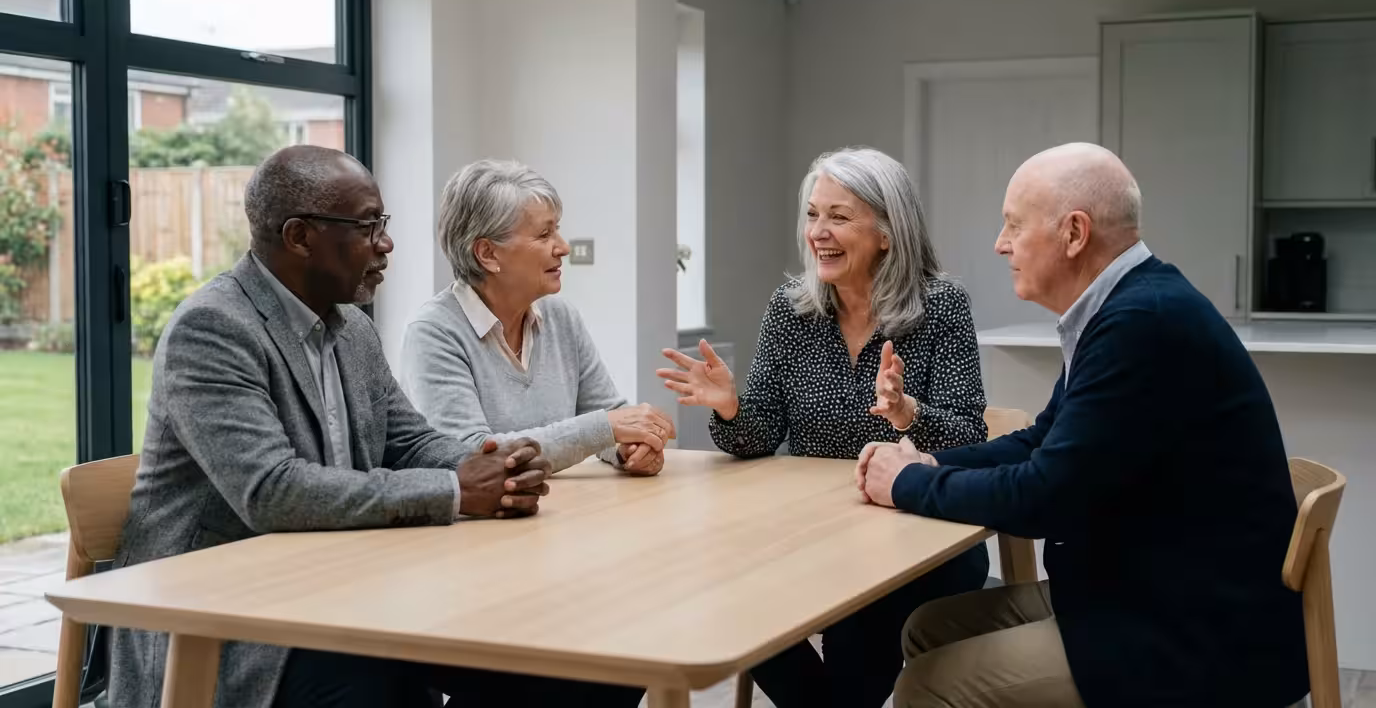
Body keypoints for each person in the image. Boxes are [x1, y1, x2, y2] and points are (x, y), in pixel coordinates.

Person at [109, 146, 642, 708]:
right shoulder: (214, 328)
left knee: (591, 658)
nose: (386, 244)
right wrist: (460, 488)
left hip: (338, 586)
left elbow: (408, 440)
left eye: (382, 225)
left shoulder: (350, 329)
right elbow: (271, 491)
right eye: (368, 227)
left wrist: (494, 465)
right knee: (384, 685)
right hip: (228, 620)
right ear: (299, 236)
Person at [858, 143, 1308, 708]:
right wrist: (929, 463)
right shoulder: (1125, 308)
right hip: (1147, 589)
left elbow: (1047, 497)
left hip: (1197, 632)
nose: (1001, 244)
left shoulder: (1140, 325)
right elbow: (1041, 441)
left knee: (928, 684)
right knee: (926, 629)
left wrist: (906, 483)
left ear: (1074, 234)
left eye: (1014, 226)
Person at [659, 146, 990, 708]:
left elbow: (969, 442)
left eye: (839, 216)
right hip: (808, 532)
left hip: (918, 535)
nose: (819, 232)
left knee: (853, 640)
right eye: (813, 215)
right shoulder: (789, 312)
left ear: (888, 233)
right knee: (730, 596)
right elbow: (760, 437)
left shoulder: (942, 306)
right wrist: (733, 407)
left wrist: (909, 414)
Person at [400, 159, 674, 476]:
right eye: (544, 235)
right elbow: (469, 454)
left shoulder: (561, 317)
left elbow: (608, 416)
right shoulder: (433, 332)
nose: (563, 247)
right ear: (487, 254)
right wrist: (606, 429)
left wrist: (630, 448)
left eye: (556, 230)